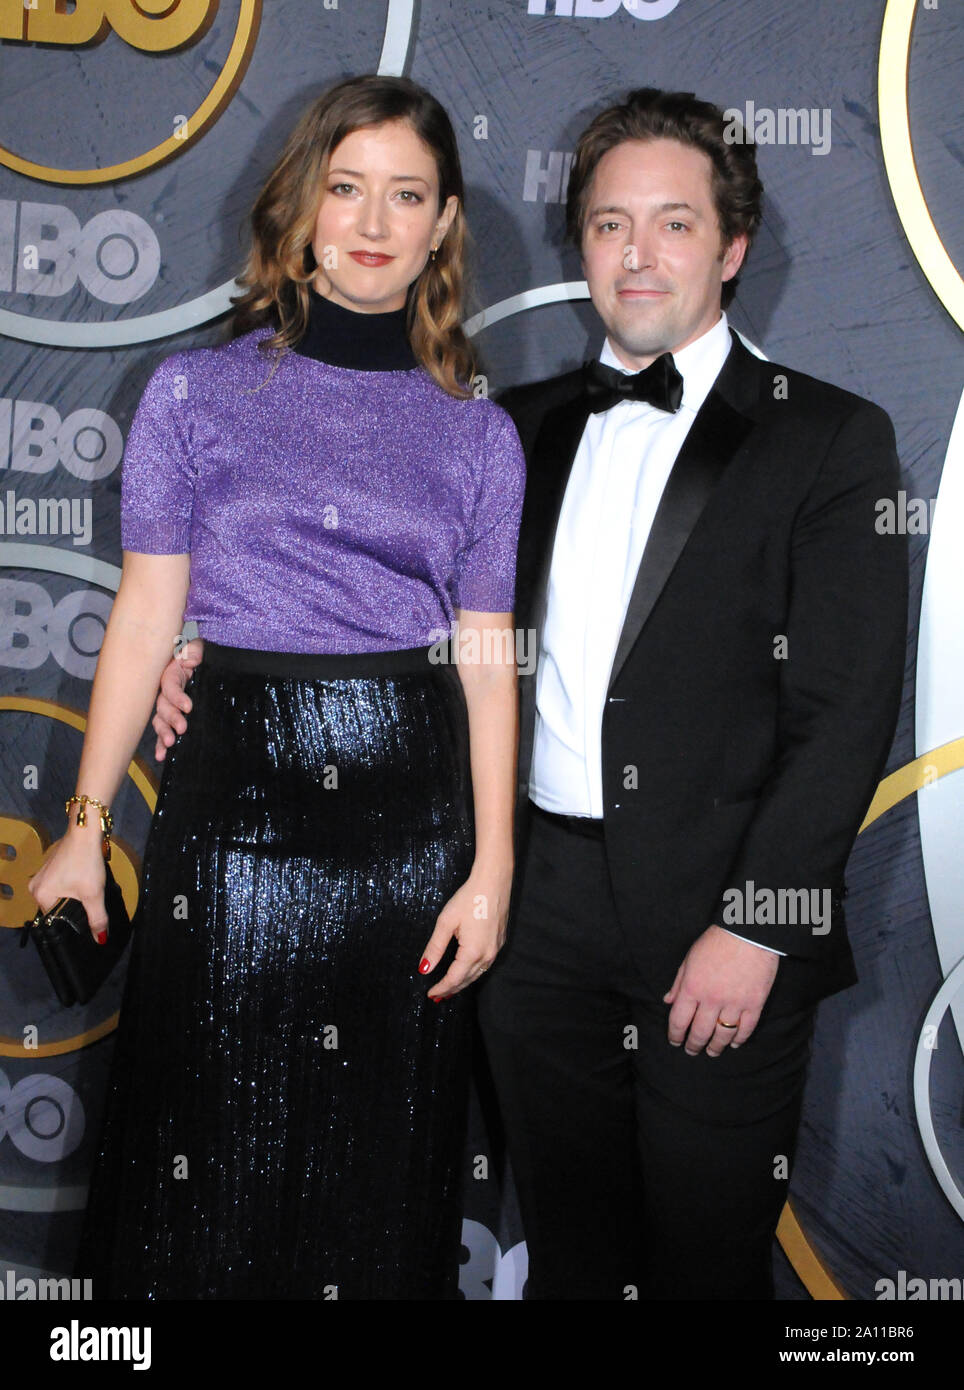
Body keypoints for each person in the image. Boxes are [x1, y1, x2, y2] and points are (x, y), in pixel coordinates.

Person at [27, 73, 524, 1301]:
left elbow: (485, 658)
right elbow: (147, 613)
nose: (372, 218)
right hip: (232, 808)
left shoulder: (478, 434)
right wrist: (86, 833)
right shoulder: (196, 394)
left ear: (443, 224)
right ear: (301, 208)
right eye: (346, 187)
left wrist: (493, 869)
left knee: (372, 1160)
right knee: (202, 1145)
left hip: (409, 827)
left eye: (406, 195)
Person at [476, 87, 908, 1299]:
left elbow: (844, 707)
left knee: (706, 1265)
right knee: (571, 1255)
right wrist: (205, 645)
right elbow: (421, 632)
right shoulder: (516, 432)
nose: (637, 252)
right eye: (610, 224)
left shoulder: (828, 438)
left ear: (729, 247)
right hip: (535, 914)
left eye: (672, 223)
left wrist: (758, 920)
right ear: (583, 249)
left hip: (719, 916)